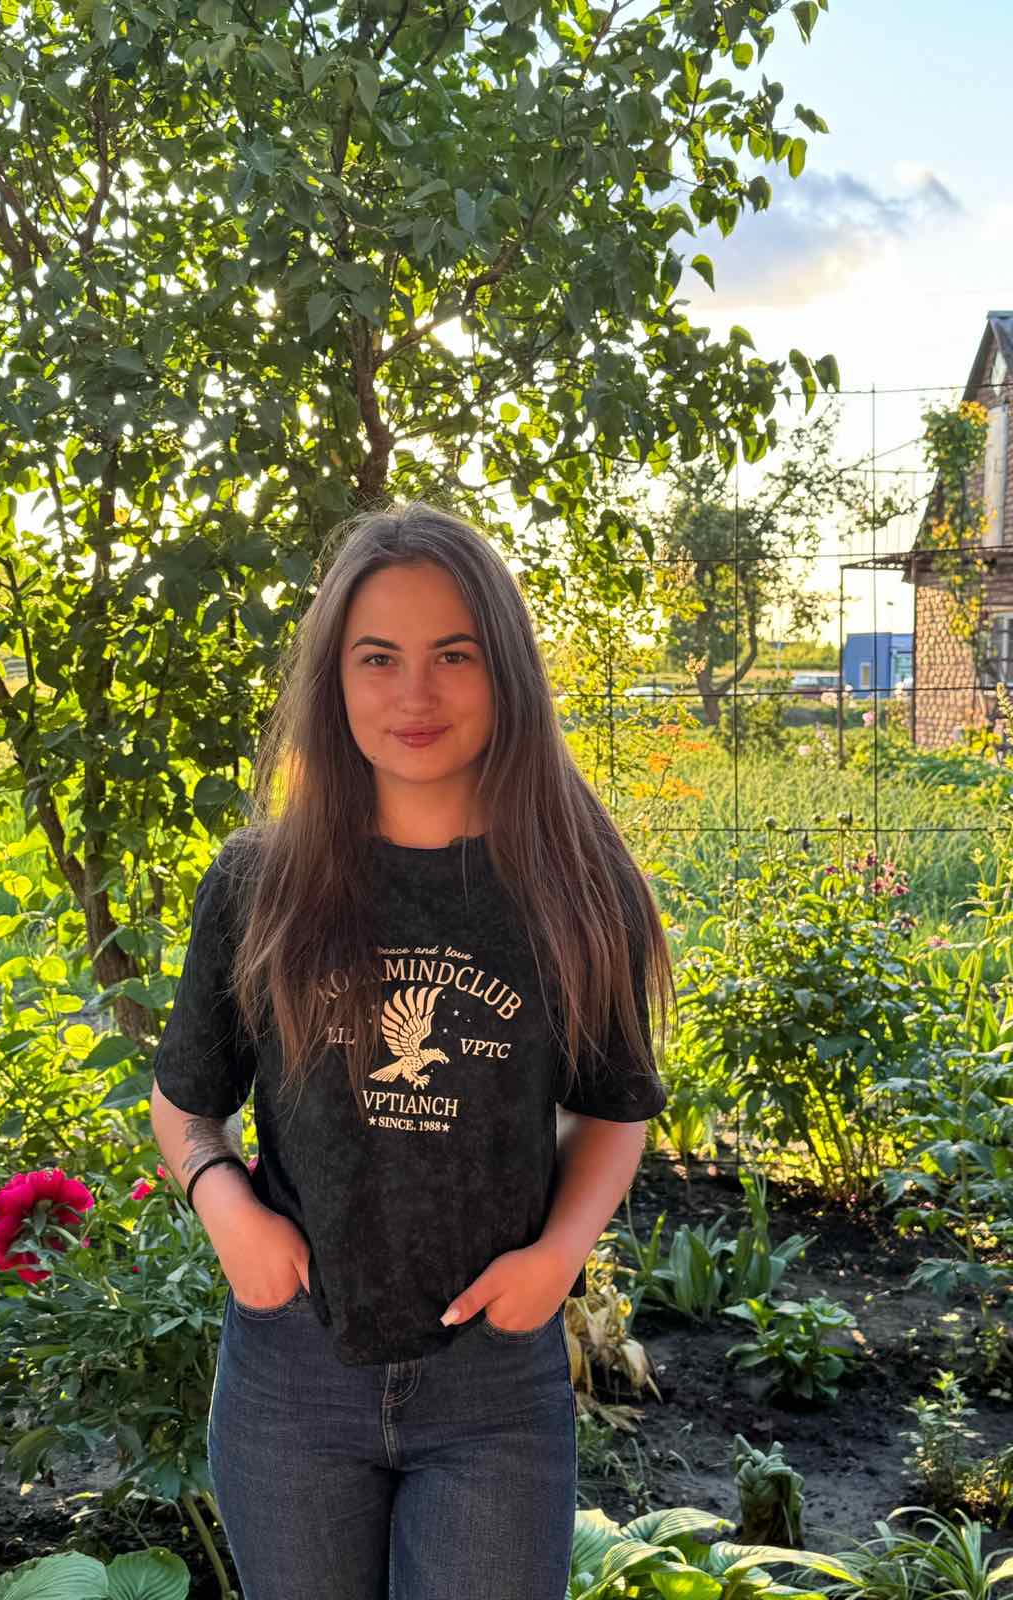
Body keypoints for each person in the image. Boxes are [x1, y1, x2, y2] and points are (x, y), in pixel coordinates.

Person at [150, 500, 673, 1600]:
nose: (415, 695)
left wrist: (558, 1257)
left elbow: (614, 1109)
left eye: (453, 655)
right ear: (334, 680)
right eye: (378, 657)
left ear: (507, 672)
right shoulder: (261, 882)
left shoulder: (576, 889)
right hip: (292, 1377)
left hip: (493, 1387)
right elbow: (186, 1103)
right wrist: (227, 1208)